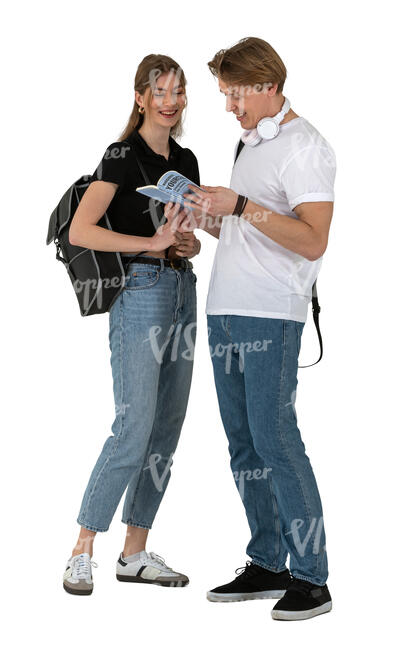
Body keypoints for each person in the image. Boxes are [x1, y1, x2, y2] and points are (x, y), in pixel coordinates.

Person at [183, 37, 336, 621]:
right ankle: (268, 561)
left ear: (267, 85)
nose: (228, 106)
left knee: (276, 441)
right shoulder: (251, 144)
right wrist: (205, 217)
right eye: (224, 94)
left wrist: (242, 205)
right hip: (226, 308)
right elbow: (256, 231)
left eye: (234, 94)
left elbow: (312, 240)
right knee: (244, 444)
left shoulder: (306, 147)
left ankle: (311, 577)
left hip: (272, 314)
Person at [62, 54, 201, 595]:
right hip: (140, 294)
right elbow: (81, 230)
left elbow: (185, 234)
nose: (170, 101)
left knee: (166, 427)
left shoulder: (186, 158)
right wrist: (151, 244)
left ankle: (135, 552)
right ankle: (82, 548)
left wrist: (183, 242)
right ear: (140, 97)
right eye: (159, 91)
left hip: (181, 289)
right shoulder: (121, 155)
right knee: (134, 425)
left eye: (178, 91)